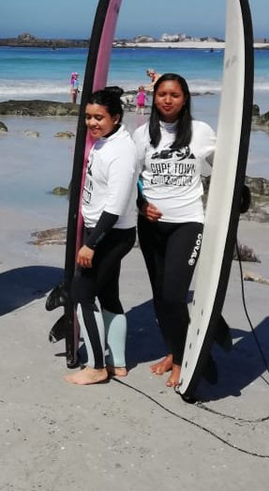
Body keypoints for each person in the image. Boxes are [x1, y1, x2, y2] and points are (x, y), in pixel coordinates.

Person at [133, 74, 216, 388]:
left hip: (188, 222)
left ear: (185, 99)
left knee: (174, 295)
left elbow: (224, 164)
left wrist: (237, 192)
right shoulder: (142, 134)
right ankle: (172, 350)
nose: (168, 100)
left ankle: (183, 359)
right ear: (154, 98)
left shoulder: (201, 132)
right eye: (162, 94)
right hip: (151, 225)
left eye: (175, 95)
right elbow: (132, 177)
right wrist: (141, 205)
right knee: (159, 297)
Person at [66, 86, 139, 386]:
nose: (92, 123)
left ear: (116, 118)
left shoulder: (121, 152)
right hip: (106, 231)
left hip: (109, 233)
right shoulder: (106, 141)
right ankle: (118, 363)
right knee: (109, 295)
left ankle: (97, 366)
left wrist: (91, 244)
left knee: (82, 293)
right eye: (88, 117)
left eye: (99, 118)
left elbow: (116, 205)